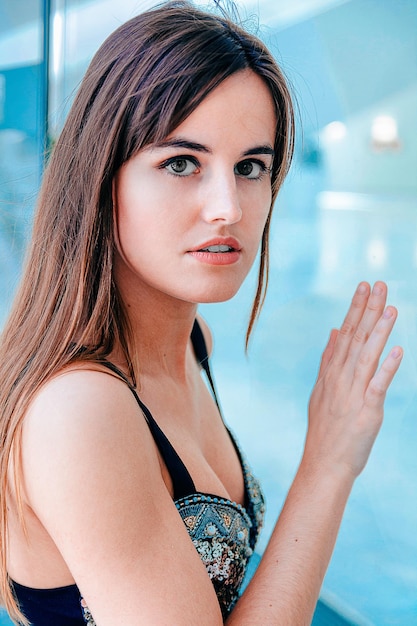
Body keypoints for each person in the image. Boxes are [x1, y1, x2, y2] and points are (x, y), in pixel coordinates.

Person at [0, 1, 403, 624]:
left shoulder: (193, 343)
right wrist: (329, 462)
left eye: (250, 167)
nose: (228, 208)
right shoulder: (81, 410)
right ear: (101, 177)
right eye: (181, 163)